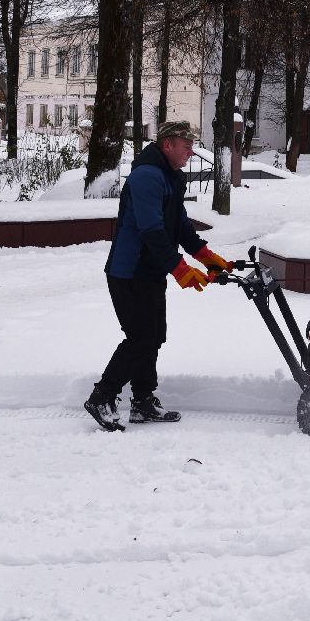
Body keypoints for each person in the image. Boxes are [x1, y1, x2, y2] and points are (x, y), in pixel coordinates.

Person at [84, 120, 229, 431]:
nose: (191, 151)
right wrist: (179, 269)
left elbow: (179, 226)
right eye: (186, 145)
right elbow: (151, 230)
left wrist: (206, 257)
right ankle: (102, 397)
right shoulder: (147, 177)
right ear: (168, 145)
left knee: (153, 337)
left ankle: (142, 401)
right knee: (141, 338)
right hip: (130, 271)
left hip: (149, 271)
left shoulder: (168, 177)